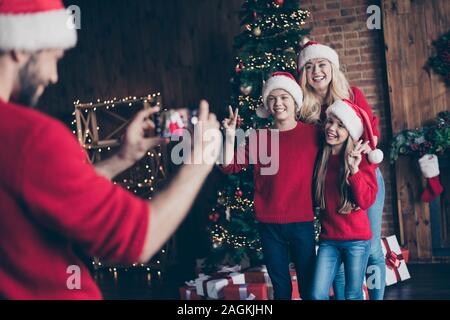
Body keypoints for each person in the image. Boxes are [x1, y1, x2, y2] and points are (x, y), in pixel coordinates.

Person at [0, 0, 220, 299]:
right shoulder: (33, 137)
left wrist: (122, 158)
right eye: (52, 57)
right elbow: (138, 240)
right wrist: (202, 160)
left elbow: (54, 195)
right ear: (20, 48)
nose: (54, 76)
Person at [298, 40, 386, 300]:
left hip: (362, 176)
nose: (316, 71)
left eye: (322, 64)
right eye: (309, 66)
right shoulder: (304, 109)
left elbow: (372, 132)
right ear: (303, 74)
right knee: (336, 251)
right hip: (331, 183)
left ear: (332, 67)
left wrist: (360, 162)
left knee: (370, 248)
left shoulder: (352, 94)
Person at [221, 72, 319, 300]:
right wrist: (228, 135)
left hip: (301, 221)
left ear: (295, 102)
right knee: (280, 286)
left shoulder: (313, 134)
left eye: (284, 97)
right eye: (272, 99)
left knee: (309, 284)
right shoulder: (259, 137)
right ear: (267, 104)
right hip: (269, 223)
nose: (278, 103)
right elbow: (229, 166)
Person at [311, 99, 380, 300]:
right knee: (317, 294)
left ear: (350, 132)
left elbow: (366, 201)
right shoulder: (321, 159)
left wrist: (354, 170)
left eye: (341, 125)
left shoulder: (361, 161)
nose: (332, 128)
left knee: (352, 294)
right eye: (330, 122)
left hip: (357, 241)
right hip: (329, 240)